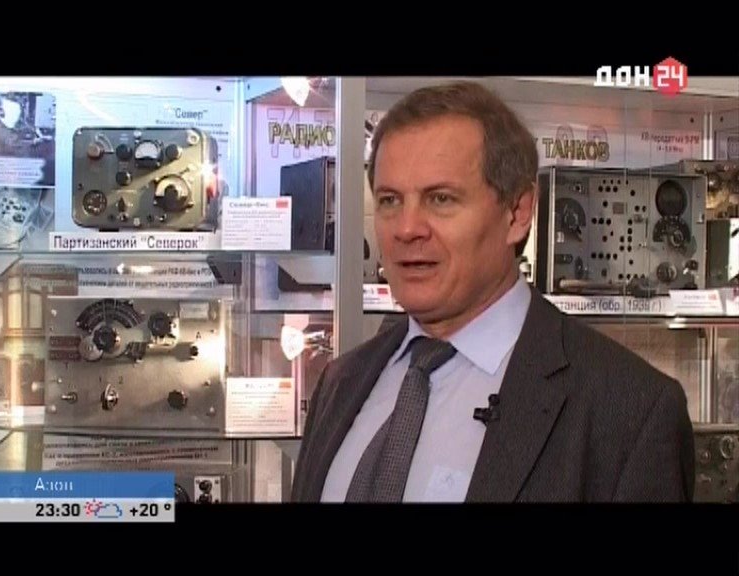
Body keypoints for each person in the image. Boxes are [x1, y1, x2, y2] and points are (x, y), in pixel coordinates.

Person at [290, 81, 695, 503]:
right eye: (390, 200)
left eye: (440, 199)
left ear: (517, 213)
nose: (407, 229)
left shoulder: (630, 411)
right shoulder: (341, 382)